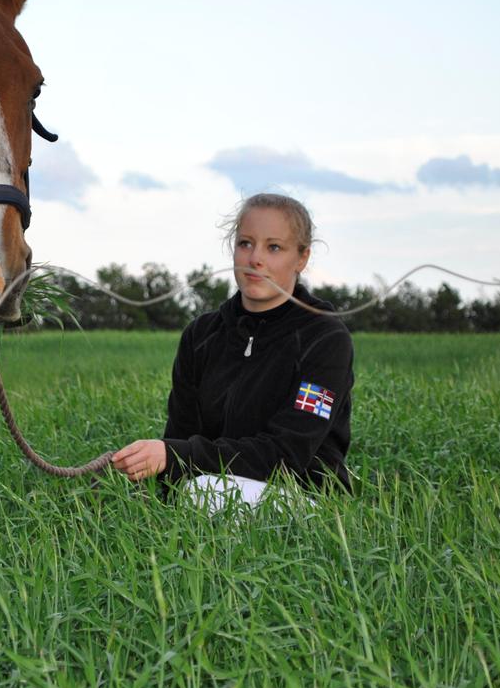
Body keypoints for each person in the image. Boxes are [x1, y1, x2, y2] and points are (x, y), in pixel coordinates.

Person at [111, 193, 354, 506]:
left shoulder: (325, 338)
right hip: (208, 486)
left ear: (302, 258)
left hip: (304, 496)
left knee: (201, 495)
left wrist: (176, 456)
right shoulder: (201, 334)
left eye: (274, 247)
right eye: (245, 243)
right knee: (115, 496)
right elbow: (181, 435)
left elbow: (289, 453)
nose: (256, 259)